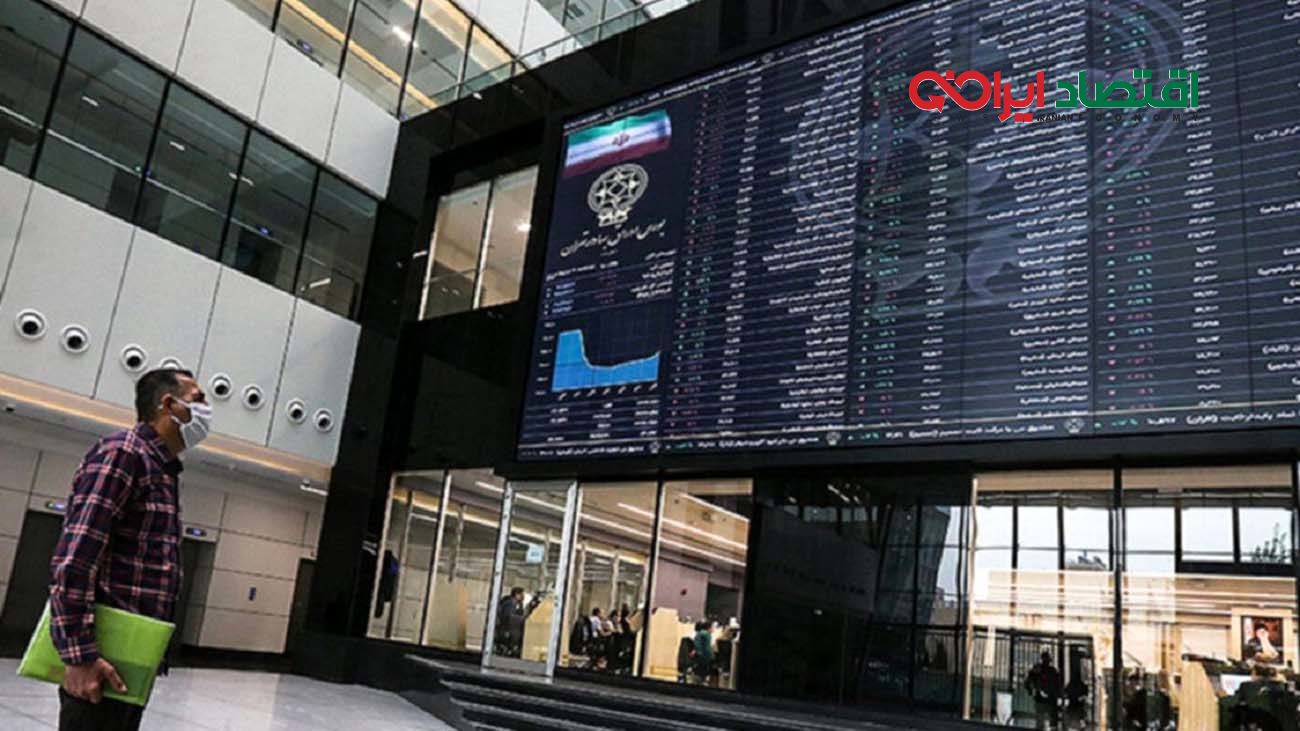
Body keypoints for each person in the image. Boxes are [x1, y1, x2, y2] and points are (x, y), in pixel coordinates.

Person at [49, 368, 211, 731]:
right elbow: (75, 559)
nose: (206, 410)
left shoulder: (162, 470)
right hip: (99, 658)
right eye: (198, 399)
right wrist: (79, 655)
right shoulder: (124, 454)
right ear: (168, 404)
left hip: (130, 657)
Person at [495, 587, 542, 658]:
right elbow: (510, 616)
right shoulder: (511, 603)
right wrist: (523, 619)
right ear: (517, 594)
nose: (523, 597)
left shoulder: (517, 603)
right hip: (507, 630)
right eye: (522, 594)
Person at [1025, 651, 1062, 730]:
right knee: (1050, 720)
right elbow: (1057, 685)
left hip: (1044, 698)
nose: (1046, 661)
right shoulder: (1051, 670)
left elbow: (1028, 681)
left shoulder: (1043, 669)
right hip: (1048, 699)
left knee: (1042, 720)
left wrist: (1031, 691)